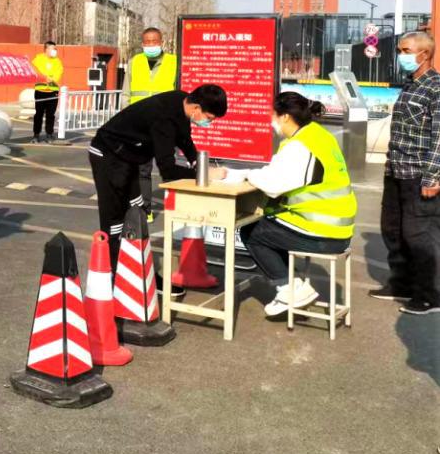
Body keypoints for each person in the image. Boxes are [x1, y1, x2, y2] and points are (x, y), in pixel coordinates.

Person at [227, 93, 357, 317]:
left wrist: (243, 174)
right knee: (270, 226)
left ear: (285, 116)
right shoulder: (318, 135)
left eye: (273, 115)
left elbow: (273, 184)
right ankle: (294, 286)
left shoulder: (300, 146)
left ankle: (290, 288)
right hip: (338, 228)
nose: (271, 121)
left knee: (252, 231)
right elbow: (278, 173)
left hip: (323, 233)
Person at [89, 84, 228, 273]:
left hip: (128, 157)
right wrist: (204, 175)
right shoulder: (164, 119)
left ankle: (137, 271)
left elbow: (184, 139)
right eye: (209, 118)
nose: (208, 123)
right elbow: (168, 170)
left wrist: (198, 164)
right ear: (196, 108)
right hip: (108, 154)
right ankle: (113, 272)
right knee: (114, 218)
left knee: (136, 212)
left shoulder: (181, 101)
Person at [373, 31, 440, 315]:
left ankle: (429, 295)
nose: (401, 56)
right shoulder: (410, 85)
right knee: (392, 230)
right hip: (396, 170)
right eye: (400, 50)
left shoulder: (436, 88)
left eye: (406, 51)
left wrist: (433, 176)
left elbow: (439, 136)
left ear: (424, 54)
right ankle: (401, 284)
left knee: (420, 234)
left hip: (419, 174)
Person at [124, 27, 179, 213]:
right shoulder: (134, 62)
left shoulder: (174, 62)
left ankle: (173, 209)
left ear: (161, 42)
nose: (151, 45)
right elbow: (126, 92)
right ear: (142, 43)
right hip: (140, 124)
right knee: (142, 169)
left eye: (154, 41)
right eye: (147, 42)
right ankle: (144, 210)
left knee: (168, 167)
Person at [31, 41, 63, 143]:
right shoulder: (38, 59)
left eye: (55, 49)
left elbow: (59, 72)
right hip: (40, 90)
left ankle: (49, 134)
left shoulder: (57, 61)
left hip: (53, 91)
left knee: (50, 114)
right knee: (38, 114)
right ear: (46, 49)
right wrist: (45, 78)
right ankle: (36, 135)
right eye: (53, 48)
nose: (55, 50)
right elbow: (35, 71)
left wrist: (52, 79)